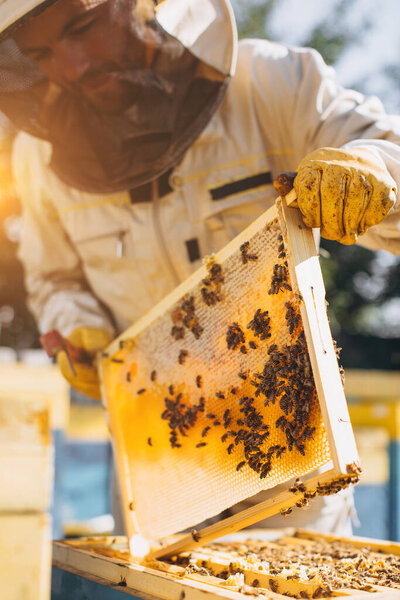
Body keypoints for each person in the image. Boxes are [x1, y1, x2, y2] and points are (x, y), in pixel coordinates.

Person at [2, 0, 400, 534]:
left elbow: (386, 147)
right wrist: (77, 324)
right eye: (42, 52)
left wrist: (373, 169)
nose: (72, 66)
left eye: (82, 27)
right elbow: (52, 278)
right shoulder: (37, 158)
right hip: (158, 468)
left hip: (293, 471)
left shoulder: (274, 84)